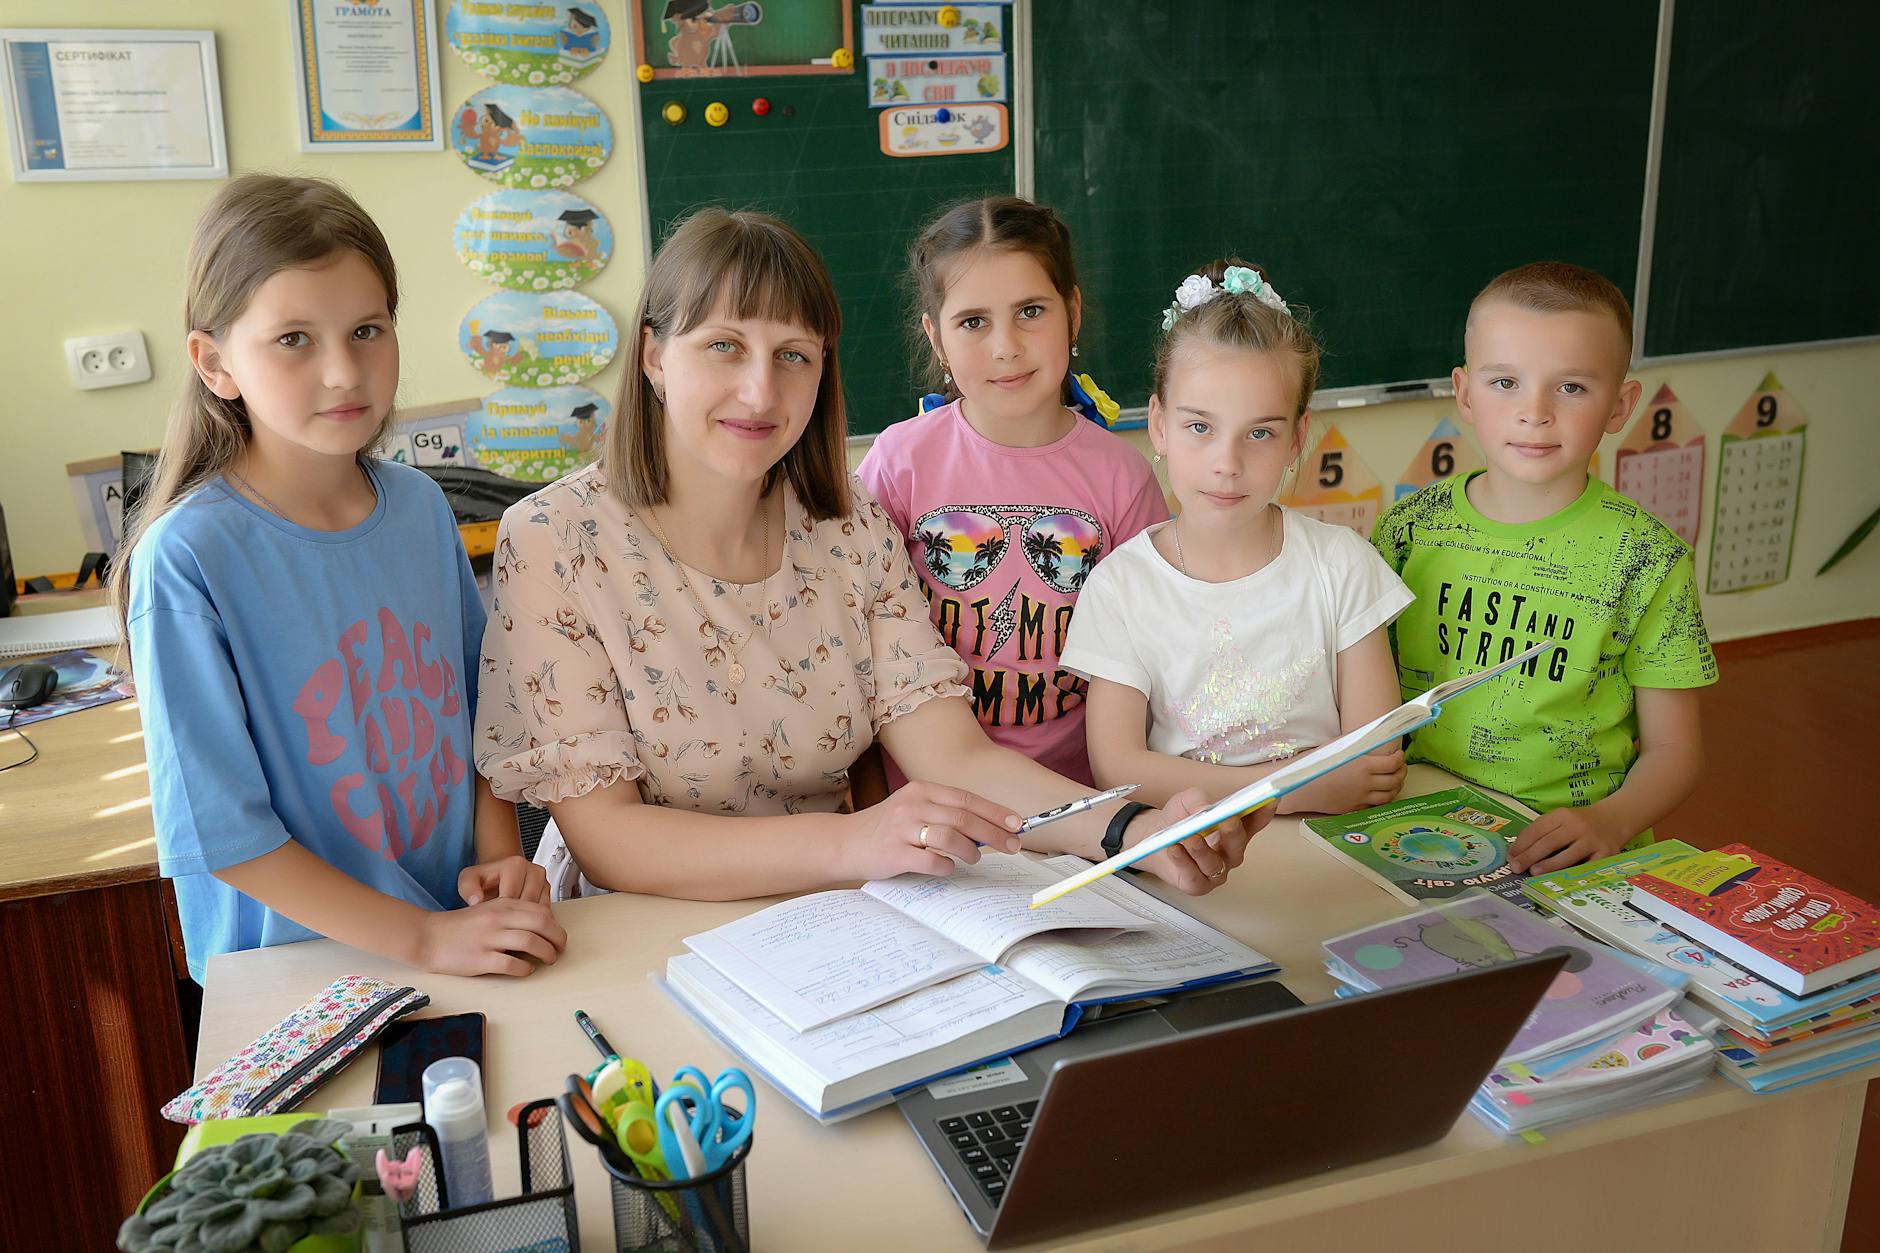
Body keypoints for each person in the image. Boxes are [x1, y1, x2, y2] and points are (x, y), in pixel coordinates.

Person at [475, 207, 1258, 900]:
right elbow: (611, 842)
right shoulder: (554, 540)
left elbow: (953, 752)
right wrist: (858, 839)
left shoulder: (850, 527)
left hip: (850, 916)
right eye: (723, 346)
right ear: (652, 355)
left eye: (793, 356)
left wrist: (1132, 830)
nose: (759, 392)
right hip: (653, 933)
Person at [114, 174, 565, 983]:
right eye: (294, 339)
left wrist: (500, 854)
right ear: (215, 364)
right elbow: (225, 833)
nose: (342, 373)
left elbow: (481, 707)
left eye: (366, 329)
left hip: (451, 933)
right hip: (302, 973)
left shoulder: (422, 506)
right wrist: (424, 942)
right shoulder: (186, 558)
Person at [1372, 261, 1718, 873]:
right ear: (1464, 394)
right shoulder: (1406, 530)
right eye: (1505, 382)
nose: (1535, 412)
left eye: (1572, 387)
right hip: (1418, 826)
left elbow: (1674, 750)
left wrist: (1611, 820)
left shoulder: (1648, 556)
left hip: (1573, 847)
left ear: (1621, 404)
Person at [1063, 260, 1411, 815]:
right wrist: (1292, 788)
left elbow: (1373, 758)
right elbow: (1119, 769)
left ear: (1297, 438)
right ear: (1158, 425)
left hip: (1329, 851)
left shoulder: (1341, 564)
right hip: (1192, 858)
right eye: (1200, 427)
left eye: (1259, 433)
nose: (1227, 463)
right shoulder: (1120, 586)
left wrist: (1307, 788)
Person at [855, 196, 1167, 791]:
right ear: (936, 337)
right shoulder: (898, 465)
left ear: (1072, 313)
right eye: (973, 321)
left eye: (1030, 311)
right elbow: (859, 656)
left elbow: (1152, 665)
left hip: (1086, 806)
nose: (1006, 346)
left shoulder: (1122, 479)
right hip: (932, 811)